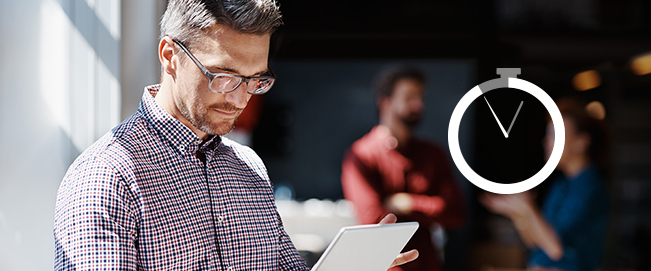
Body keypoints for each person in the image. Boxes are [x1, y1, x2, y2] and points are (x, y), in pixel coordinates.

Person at [53, 0, 417, 270]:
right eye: (222, 76)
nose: (239, 98)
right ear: (169, 56)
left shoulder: (248, 166)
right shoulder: (105, 178)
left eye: (255, 79)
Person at [341, 66, 465, 271]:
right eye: (409, 97)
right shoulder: (361, 155)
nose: (418, 104)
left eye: (420, 97)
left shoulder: (433, 153)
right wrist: (428, 210)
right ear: (385, 102)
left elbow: (455, 212)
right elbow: (373, 219)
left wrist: (406, 202)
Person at [480, 98, 610, 271]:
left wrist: (527, 208)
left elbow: (555, 249)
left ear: (581, 142)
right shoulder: (561, 184)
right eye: (549, 134)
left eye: (555, 134)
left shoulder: (591, 187)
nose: (547, 141)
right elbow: (534, 241)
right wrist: (518, 214)